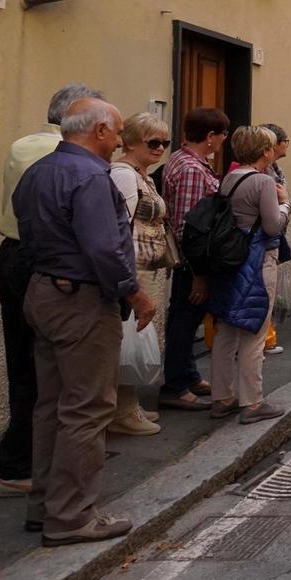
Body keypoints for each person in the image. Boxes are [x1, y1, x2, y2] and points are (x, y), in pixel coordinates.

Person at [15, 98, 157, 545]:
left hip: (43, 290)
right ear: (98, 130)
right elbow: (104, 249)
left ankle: (45, 506)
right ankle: (72, 516)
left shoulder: (38, 171)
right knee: (88, 408)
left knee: (51, 405)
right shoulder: (91, 177)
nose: (118, 141)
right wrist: (135, 293)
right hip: (81, 300)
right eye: (116, 132)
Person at [0, 82, 99, 501]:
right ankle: (24, 465)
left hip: (15, 254)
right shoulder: (60, 155)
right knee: (47, 369)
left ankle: (32, 462)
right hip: (46, 264)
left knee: (28, 362)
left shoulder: (24, 144)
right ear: (77, 116)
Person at [206, 127, 290, 424]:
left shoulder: (229, 178)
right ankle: (252, 402)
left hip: (231, 261)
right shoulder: (263, 182)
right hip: (257, 260)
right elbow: (272, 226)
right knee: (254, 330)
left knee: (227, 329)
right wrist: (286, 202)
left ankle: (222, 397)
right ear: (264, 151)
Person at [107, 112, 173, 436]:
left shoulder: (140, 173)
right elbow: (120, 229)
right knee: (128, 340)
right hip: (133, 267)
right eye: (153, 141)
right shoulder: (124, 175)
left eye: (164, 142)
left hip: (145, 267)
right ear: (132, 140)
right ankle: (121, 411)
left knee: (135, 339)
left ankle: (127, 404)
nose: (160, 148)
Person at [159, 107, 229, 411]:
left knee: (186, 318)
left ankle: (187, 374)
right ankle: (174, 385)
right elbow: (189, 226)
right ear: (211, 136)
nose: (224, 140)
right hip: (192, 260)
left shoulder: (184, 160)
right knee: (184, 321)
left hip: (191, 258)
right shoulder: (190, 169)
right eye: (222, 134)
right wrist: (198, 272)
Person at [261, 123, 291, 355]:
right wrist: (284, 202)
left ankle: (266, 337)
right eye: (285, 140)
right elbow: (272, 218)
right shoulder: (263, 176)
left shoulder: (274, 169)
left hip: (273, 238)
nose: (287, 145)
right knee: (262, 293)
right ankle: (262, 340)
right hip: (265, 241)